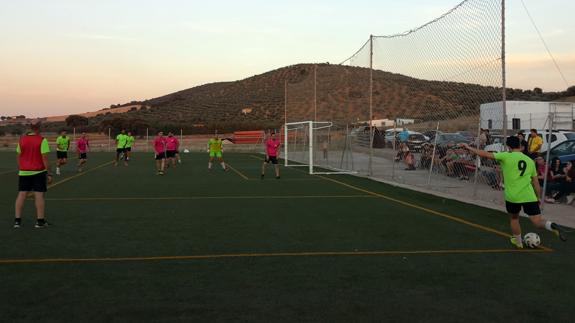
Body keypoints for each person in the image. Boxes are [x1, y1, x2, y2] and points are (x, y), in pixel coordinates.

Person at [462, 136, 566, 248]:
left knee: (514, 218)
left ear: (508, 146)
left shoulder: (506, 156)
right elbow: (536, 183)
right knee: (537, 221)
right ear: (520, 146)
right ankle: (551, 225)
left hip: (513, 197)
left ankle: (519, 242)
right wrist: (538, 197)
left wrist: (468, 147)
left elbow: (485, 154)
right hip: (529, 196)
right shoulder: (529, 160)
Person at [14, 123, 52, 228]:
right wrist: (49, 173)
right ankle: (40, 221)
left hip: (24, 172)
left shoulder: (21, 139)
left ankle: (17, 221)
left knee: (21, 195)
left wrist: (21, 167)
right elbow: (45, 158)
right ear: (38, 129)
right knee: (39, 195)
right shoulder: (42, 140)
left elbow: (18, 156)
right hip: (38, 172)